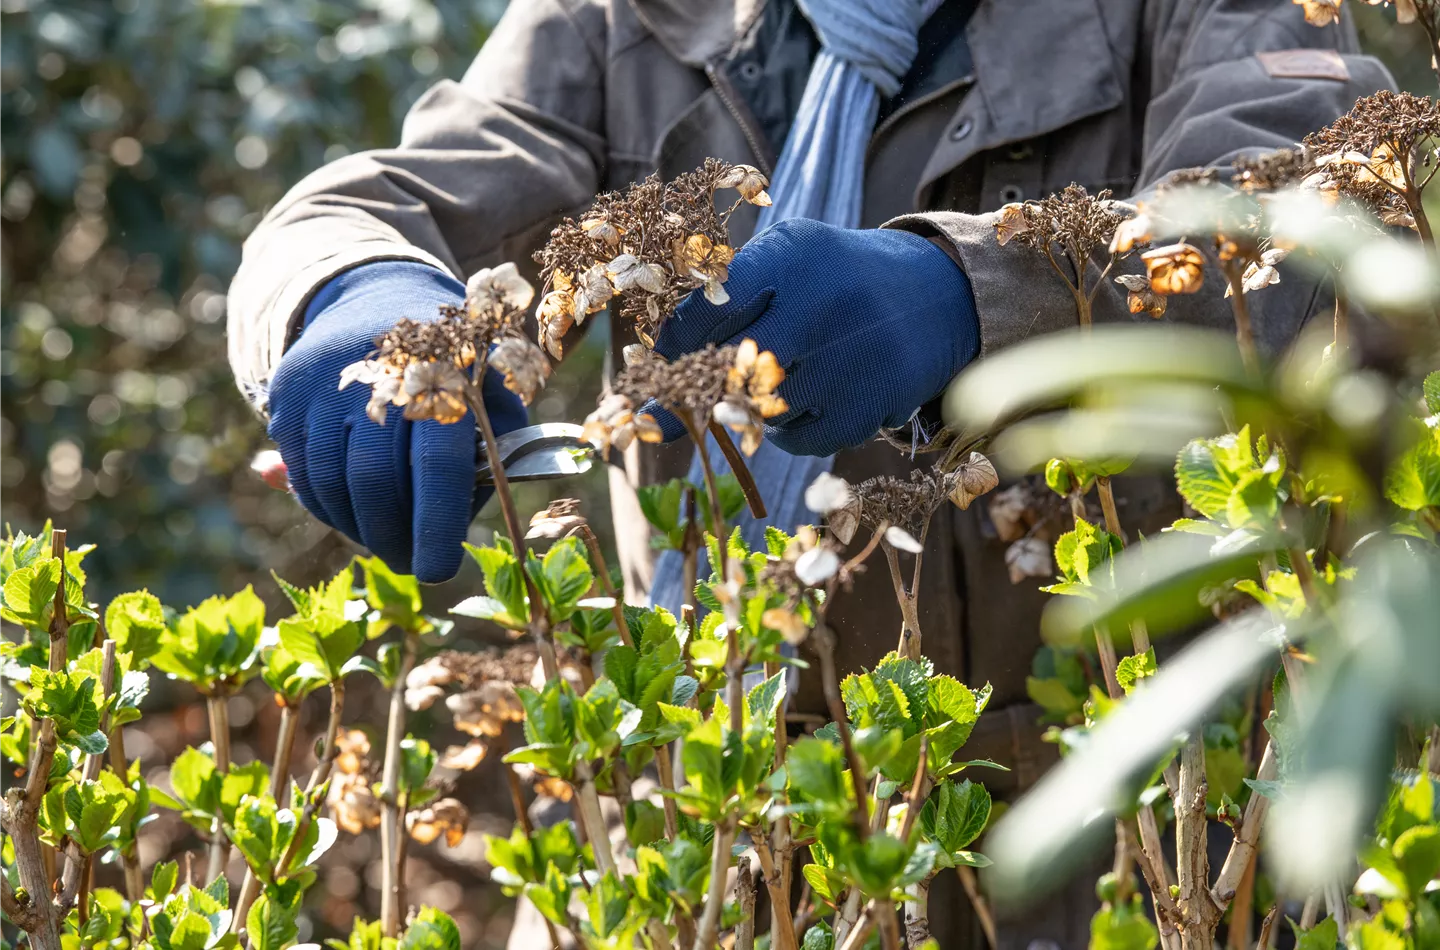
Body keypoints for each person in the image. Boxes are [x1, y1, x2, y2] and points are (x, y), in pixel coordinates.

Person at [228, 1, 1392, 945]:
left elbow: (1320, 225)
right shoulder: (625, 23)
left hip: (1110, 852)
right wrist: (352, 296)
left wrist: (971, 293)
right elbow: (368, 204)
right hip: (695, 820)